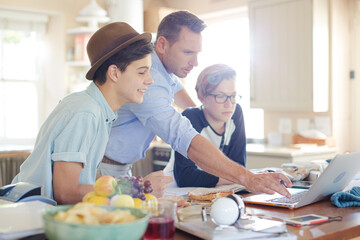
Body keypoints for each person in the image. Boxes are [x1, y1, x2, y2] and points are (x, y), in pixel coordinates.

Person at [102, 11, 292, 198]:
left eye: (197, 53)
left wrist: (203, 116)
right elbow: (183, 137)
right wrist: (248, 178)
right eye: (188, 52)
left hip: (121, 168)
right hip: (103, 168)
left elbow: (178, 91)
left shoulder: (161, 62)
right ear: (162, 44)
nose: (195, 62)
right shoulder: (149, 78)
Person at [11, 22, 154, 204]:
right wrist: (136, 190)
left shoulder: (98, 111)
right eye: (142, 72)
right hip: (29, 217)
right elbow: (66, 192)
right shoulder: (86, 112)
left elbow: (85, 182)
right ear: (114, 73)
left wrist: (133, 186)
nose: (150, 80)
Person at [169, 64, 246, 187]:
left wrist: (239, 176)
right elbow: (185, 176)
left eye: (233, 96)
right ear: (202, 98)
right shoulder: (190, 118)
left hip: (217, 190)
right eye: (220, 96)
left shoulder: (236, 112)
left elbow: (239, 165)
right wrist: (237, 177)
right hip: (178, 191)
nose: (229, 104)